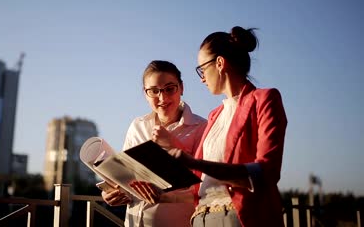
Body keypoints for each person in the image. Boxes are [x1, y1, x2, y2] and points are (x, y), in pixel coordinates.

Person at [131, 26, 287, 227]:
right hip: (201, 219)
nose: (202, 78)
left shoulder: (265, 99)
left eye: (202, 69)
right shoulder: (215, 115)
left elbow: (266, 173)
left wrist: (194, 163)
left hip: (238, 217)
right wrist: (162, 196)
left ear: (220, 63)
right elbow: (202, 187)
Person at [101, 60, 207, 227]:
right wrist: (113, 193)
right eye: (154, 91)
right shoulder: (137, 125)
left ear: (181, 87)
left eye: (170, 89)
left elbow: (205, 182)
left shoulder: (202, 127)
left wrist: (174, 145)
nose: (162, 98)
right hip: (134, 221)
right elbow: (127, 175)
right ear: (145, 93)